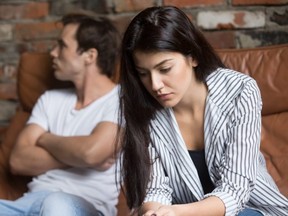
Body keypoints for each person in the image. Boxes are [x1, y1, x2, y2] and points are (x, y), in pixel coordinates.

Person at [118, 5, 288, 216]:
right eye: (143, 73)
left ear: (193, 57)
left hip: (249, 210)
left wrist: (177, 213)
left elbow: (235, 191)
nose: (155, 85)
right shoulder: (143, 107)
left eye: (165, 69)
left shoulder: (240, 91)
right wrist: (155, 213)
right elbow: (155, 189)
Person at [1, 11, 121, 216]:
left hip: (81, 206)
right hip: (29, 203)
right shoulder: (50, 99)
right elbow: (18, 161)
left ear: (89, 56)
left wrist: (45, 139)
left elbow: (90, 153)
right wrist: (80, 157)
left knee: (55, 205)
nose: (53, 53)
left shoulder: (122, 100)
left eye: (62, 46)